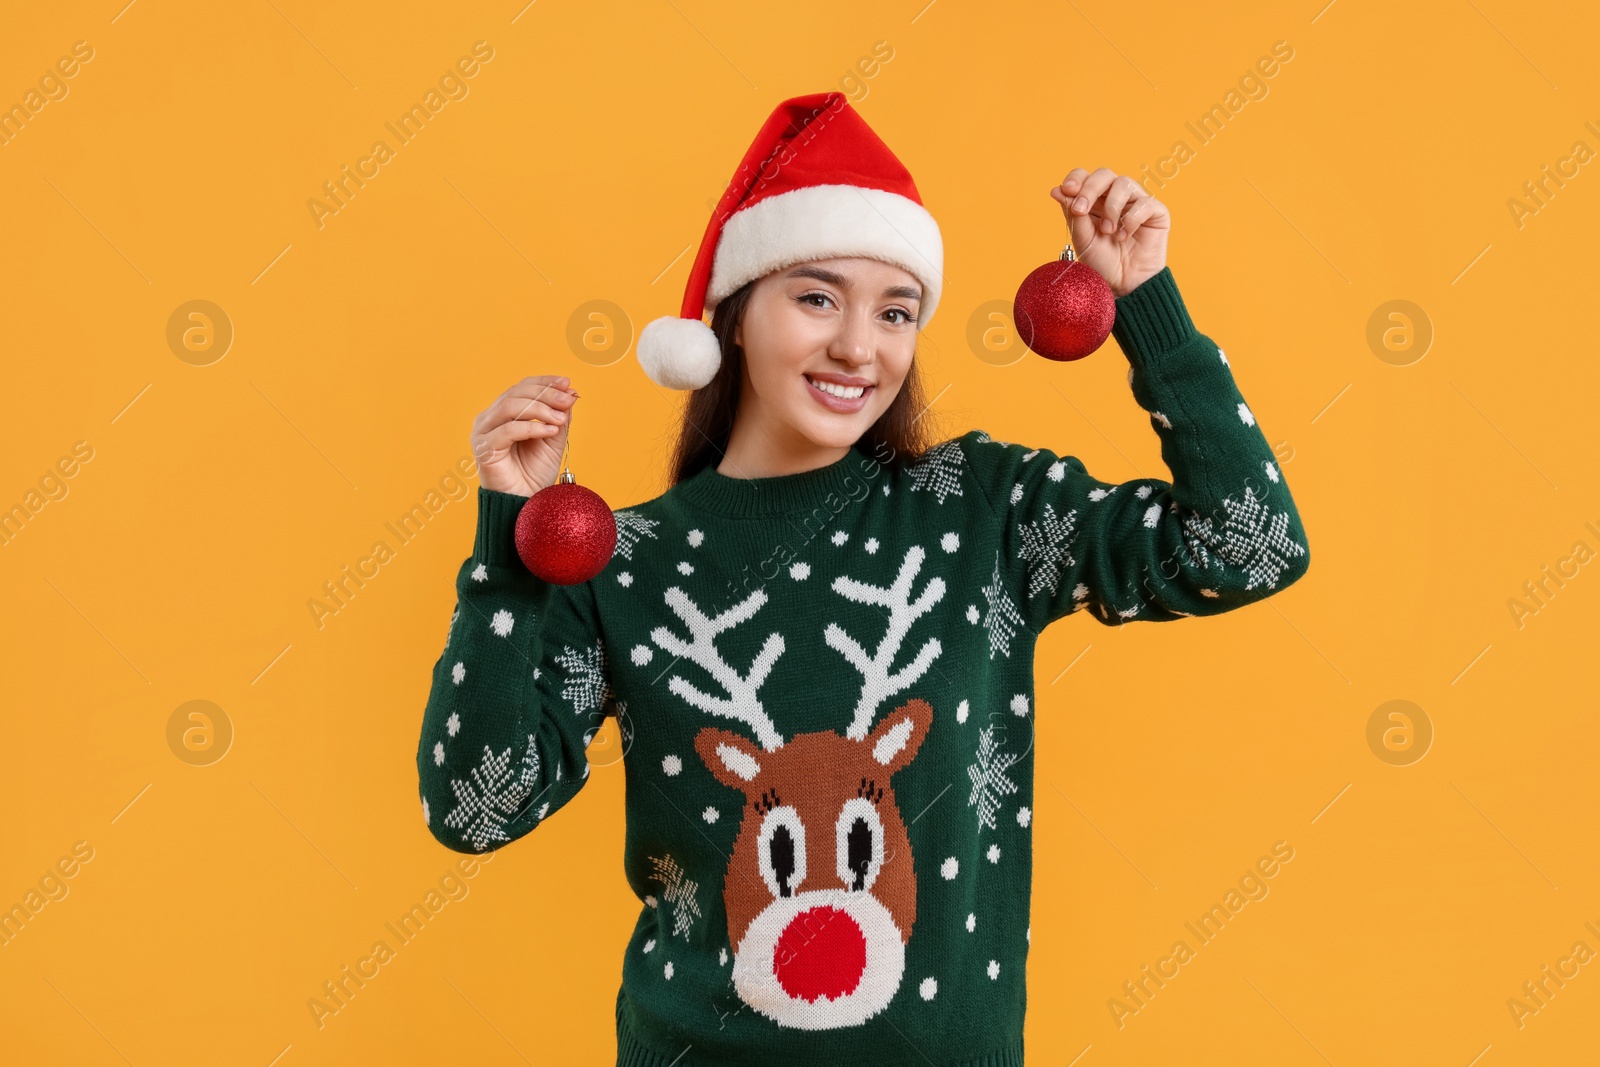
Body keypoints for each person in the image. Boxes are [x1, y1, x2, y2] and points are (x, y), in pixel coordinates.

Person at [415, 91, 1309, 1066]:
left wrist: (1146, 308)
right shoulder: (625, 563)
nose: (856, 345)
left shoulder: (988, 512)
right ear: (734, 315)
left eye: (896, 310)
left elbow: (1250, 544)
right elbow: (476, 806)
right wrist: (508, 554)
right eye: (814, 296)